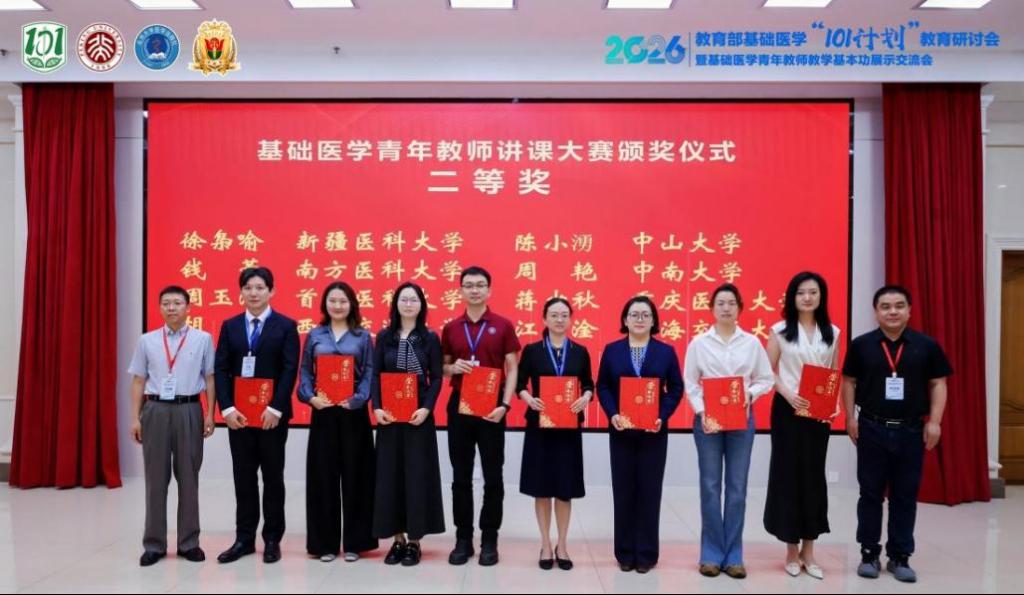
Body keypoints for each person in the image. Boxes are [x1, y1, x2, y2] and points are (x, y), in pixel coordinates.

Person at [843, 285, 951, 584]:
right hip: (872, 427)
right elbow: (849, 381)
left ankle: (900, 556)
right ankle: (869, 553)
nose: (893, 312)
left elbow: (938, 384)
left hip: (911, 429)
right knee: (870, 494)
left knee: (905, 495)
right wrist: (850, 417)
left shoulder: (926, 346)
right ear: (876, 311)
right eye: (886, 306)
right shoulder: (862, 345)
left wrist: (935, 422)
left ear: (909, 310)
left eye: (899, 306)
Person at [684, 283, 774, 579]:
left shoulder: (751, 343)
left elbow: (766, 379)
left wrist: (749, 394)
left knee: (737, 489)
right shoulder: (699, 343)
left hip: (741, 422)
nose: (726, 308)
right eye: (720, 303)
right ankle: (711, 554)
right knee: (710, 487)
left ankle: (734, 556)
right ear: (712, 308)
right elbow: (691, 383)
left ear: (739, 308)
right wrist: (702, 411)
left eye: (731, 303)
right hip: (707, 422)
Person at [214, 267, 300, 565]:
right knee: (244, 478)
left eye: (260, 287)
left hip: (271, 417)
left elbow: (289, 369)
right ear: (241, 292)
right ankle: (244, 538)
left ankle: (272, 538)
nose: (254, 293)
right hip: (238, 417)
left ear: (271, 291)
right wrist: (227, 408)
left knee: (273, 478)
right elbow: (221, 368)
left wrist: (276, 408)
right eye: (248, 287)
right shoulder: (230, 326)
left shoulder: (286, 326)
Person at [128, 285, 216, 567]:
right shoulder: (147, 341)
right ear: (159, 308)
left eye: (177, 303)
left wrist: (210, 414)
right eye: (166, 303)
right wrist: (135, 417)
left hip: (189, 408)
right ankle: (154, 544)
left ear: (188, 308)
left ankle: (189, 543)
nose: (171, 308)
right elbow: (138, 380)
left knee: (189, 477)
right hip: (154, 409)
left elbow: (210, 378)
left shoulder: (203, 339)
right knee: (155, 479)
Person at [595, 296, 683, 574]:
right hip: (621, 430)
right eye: (634, 314)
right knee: (623, 491)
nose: (640, 319)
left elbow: (676, 388)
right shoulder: (612, 350)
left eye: (646, 314)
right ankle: (624, 552)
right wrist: (612, 414)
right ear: (625, 319)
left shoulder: (665, 352)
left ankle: (646, 554)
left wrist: (662, 416)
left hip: (653, 432)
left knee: (649, 491)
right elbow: (603, 386)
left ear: (654, 320)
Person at [441, 265, 521, 566]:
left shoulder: (503, 325)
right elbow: (442, 367)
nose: (474, 290)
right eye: (469, 285)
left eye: (480, 285)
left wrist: (505, 405)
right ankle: (463, 538)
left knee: (493, 476)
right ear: (460, 290)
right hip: (460, 407)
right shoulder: (451, 327)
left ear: (489, 290)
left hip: (492, 408)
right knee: (460, 476)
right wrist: (452, 368)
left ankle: (490, 539)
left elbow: (512, 368)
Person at [763, 272, 841, 580]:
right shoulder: (780, 330)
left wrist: (833, 404)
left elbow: (833, 372)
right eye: (801, 293)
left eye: (813, 292)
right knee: (788, 477)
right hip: (788, 409)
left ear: (821, 296)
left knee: (813, 477)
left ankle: (810, 550)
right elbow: (767, 370)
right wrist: (788, 394)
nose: (807, 298)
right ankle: (791, 550)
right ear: (792, 297)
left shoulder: (832, 332)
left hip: (817, 412)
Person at [298, 281, 378, 563]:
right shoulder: (315, 335)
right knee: (323, 478)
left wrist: (358, 399)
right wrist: (310, 397)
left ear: (352, 304)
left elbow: (369, 373)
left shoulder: (362, 336)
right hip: (323, 412)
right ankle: (325, 544)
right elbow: (305, 372)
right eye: (332, 300)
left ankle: (357, 542)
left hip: (353, 413)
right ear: (325, 304)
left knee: (357, 477)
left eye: (343, 301)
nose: (337, 305)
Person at [371, 282, 446, 567]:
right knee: (390, 477)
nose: (408, 304)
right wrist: (377, 408)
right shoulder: (384, 336)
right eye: (403, 299)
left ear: (421, 305)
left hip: (418, 418)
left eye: (414, 300)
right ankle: (397, 539)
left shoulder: (430, 338)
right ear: (396, 304)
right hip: (389, 418)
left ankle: (414, 541)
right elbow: (376, 374)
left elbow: (436, 377)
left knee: (416, 476)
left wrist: (427, 408)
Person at [516, 297, 594, 570]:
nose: (559, 320)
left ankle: (562, 544)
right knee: (541, 487)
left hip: (568, 428)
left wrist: (586, 397)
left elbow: (589, 384)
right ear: (544, 319)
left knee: (564, 488)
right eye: (554, 315)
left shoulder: (580, 351)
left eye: (564, 315)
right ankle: (545, 544)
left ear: (570, 319)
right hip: (540, 426)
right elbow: (519, 384)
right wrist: (529, 399)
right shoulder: (532, 350)